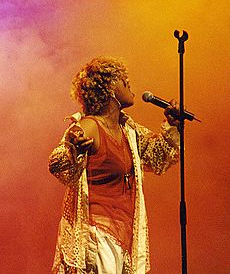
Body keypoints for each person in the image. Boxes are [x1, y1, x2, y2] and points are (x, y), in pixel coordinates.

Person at [48, 56, 180, 274]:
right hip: (97, 235)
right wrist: (74, 150)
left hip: (125, 235)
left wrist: (173, 126)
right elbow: (57, 163)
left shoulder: (128, 130)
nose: (128, 82)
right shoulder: (89, 126)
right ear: (107, 88)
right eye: (120, 78)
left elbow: (158, 158)